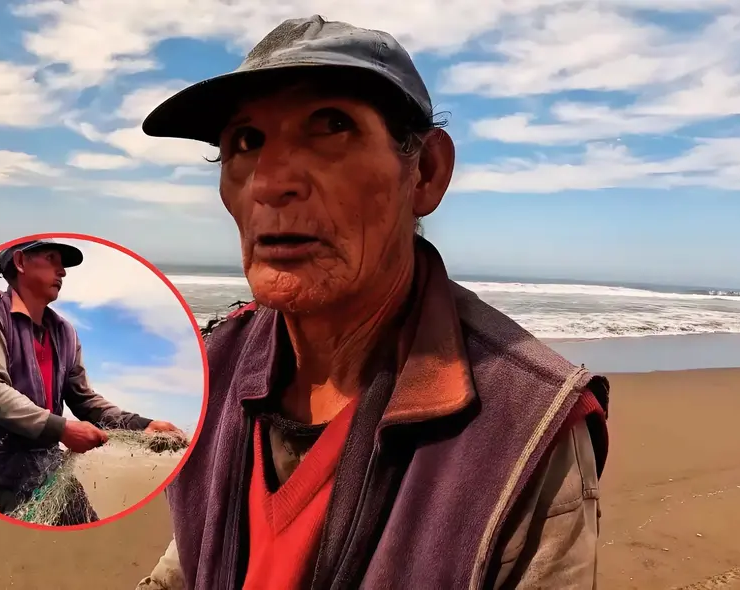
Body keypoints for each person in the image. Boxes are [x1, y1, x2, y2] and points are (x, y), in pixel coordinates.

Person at [137, 15, 610, 589]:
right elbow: (189, 560)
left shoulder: (526, 427)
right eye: (246, 140)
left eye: (331, 125)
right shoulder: (211, 369)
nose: (268, 182)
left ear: (427, 173)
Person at [0, 238, 183, 525]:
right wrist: (61, 429)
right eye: (51, 258)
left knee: (84, 523)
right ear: (21, 262)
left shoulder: (63, 332)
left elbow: (85, 401)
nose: (62, 271)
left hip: (47, 464)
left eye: (62, 264)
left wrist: (144, 425)